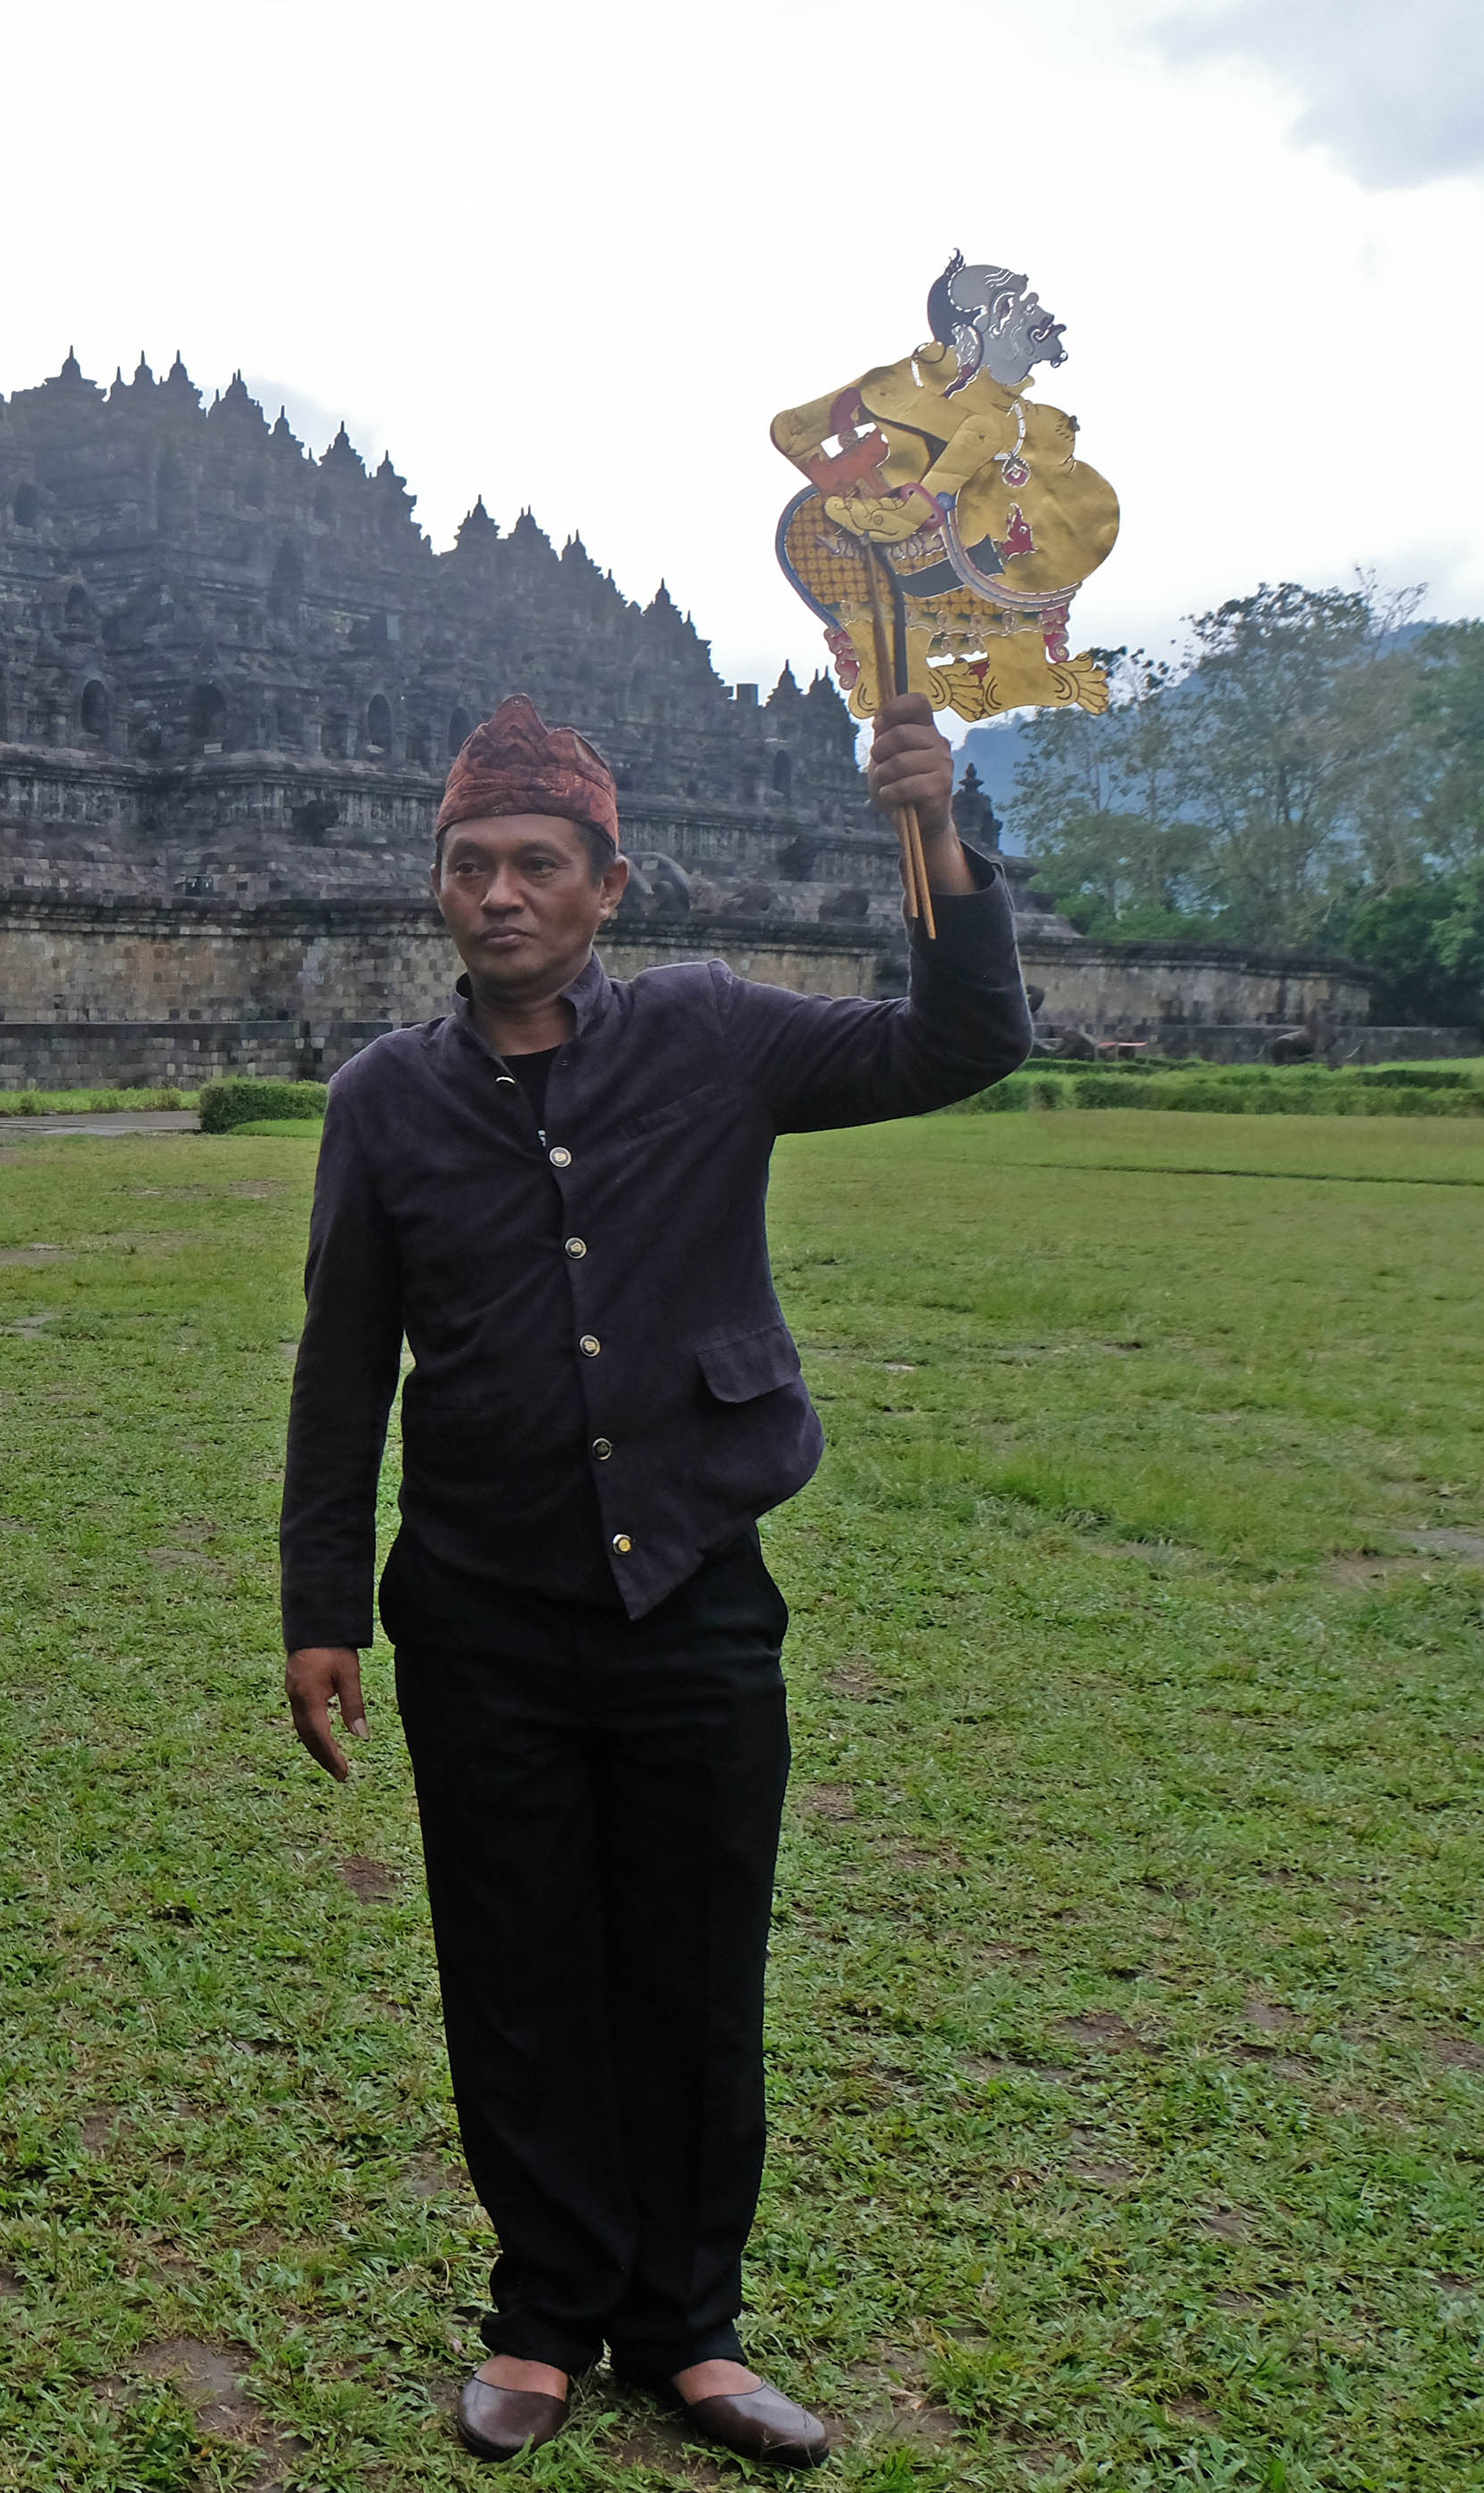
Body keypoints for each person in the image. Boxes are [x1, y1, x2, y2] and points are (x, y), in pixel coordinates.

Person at [280, 694, 1031, 2465]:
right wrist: (323, 1604)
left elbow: (959, 1043)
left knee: (693, 1968)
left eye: (539, 864)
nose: (499, 894)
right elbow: (341, 1368)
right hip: (478, 1600)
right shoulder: (385, 1099)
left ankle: (688, 2328)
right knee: (518, 1965)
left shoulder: (708, 1032)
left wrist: (937, 838)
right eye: (469, 867)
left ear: (611, 886)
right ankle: (544, 2313)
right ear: (437, 892)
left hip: (694, 1589)